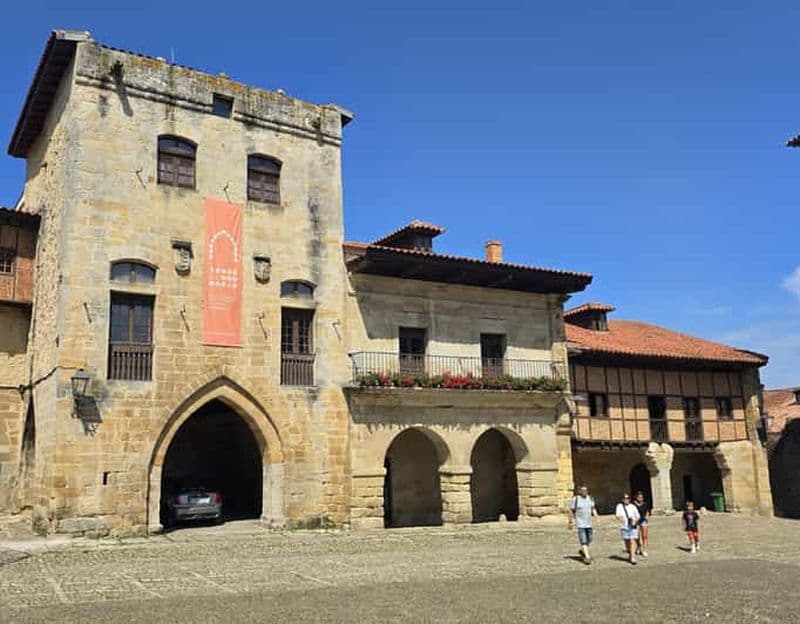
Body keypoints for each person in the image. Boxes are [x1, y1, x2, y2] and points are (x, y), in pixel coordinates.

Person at [568, 484, 599, 565]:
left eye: (586, 490)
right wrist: (571, 521)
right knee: (583, 540)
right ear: (580, 491)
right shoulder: (576, 499)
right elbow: (571, 510)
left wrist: (596, 516)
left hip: (589, 523)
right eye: (583, 490)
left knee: (590, 539)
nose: (584, 492)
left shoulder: (590, 498)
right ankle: (587, 557)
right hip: (580, 523)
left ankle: (583, 551)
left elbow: (593, 508)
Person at [615, 492, 641, 565]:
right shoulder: (619, 506)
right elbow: (617, 515)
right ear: (622, 499)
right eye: (625, 498)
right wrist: (621, 519)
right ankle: (630, 553)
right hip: (624, 526)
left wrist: (634, 521)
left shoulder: (633, 506)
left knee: (633, 540)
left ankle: (633, 557)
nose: (626, 500)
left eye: (628, 498)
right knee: (627, 542)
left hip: (632, 526)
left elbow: (638, 516)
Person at [633, 491, 651, 557]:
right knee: (637, 535)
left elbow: (647, 511)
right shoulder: (633, 504)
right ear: (636, 497)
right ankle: (638, 546)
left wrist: (647, 516)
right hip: (636, 521)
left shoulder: (645, 504)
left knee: (644, 536)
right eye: (639, 497)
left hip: (643, 520)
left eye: (641, 497)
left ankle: (645, 550)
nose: (640, 498)